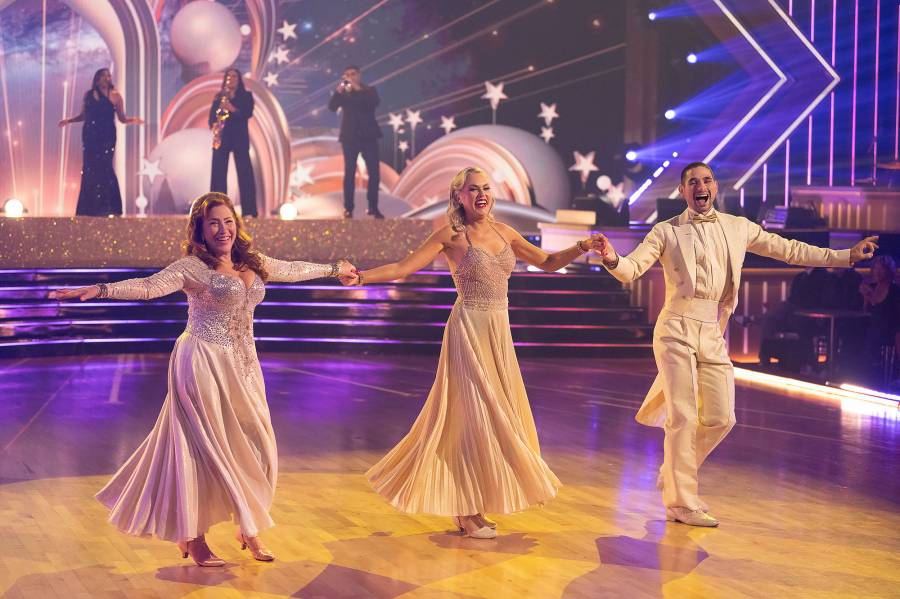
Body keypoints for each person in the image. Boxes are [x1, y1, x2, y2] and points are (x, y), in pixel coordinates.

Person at [50, 192, 356, 565]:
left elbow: (292, 269)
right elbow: (148, 287)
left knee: (258, 446)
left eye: (228, 221)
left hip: (244, 366)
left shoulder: (254, 262)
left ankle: (248, 525)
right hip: (201, 362)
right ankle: (195, 538)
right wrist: (100, 290)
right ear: (200, 229)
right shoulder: (192, 267)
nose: (222, 229)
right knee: (203, 448)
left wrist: (333, 268)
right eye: (214, 222)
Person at [593, 162, 878, 527]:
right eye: (693, 182)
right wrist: (611, 257)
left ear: (715, 187)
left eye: (707, 180)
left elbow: (788, 250)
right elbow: (632, 268)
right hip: (675, 328)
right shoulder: (665, 232)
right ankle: (682, 502)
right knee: (682, 415)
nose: (701, 186)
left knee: (722, 417)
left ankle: (675, 470)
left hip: (712, 330)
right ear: (682, 191)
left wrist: (845, 256)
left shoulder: (737, 227)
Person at [345, 166, 599, 538]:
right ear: (458, 196)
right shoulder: (450, 235)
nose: (481, 194)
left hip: (498, 330)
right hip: (469, 329)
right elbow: (403, 268)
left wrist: (582, 246)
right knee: (477, 415)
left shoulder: (504, 232)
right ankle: (467, 510)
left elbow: (546, 262)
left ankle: (469, 504)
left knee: (497, 416)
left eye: (485, 188)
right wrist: (363, 276)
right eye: (472, 189)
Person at [59, 68, 143, 216]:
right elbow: (83, 115)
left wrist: (133, 120)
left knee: (105, 167)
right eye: (104, 76)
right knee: (90, 169)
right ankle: (89, 208)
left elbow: (122, 118)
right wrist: (69, 121)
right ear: (97, 79)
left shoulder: (116, 96)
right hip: (90, 135)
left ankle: (111, 207)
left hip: (107, 136)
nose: (107, 78)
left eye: (109, 76)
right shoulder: (89, 95)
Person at [327, 65, 383, 219]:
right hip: (350, 137)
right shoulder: (343, 93)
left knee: (374, 173)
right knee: (349, 173)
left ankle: (373, 207)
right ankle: (348, 208)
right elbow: (332, 107)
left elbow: (373, 103)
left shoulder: (369, 91)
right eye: (347, 75)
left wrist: (356, 87)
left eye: (352, 74)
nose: (349, 77)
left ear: (359, 75)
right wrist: (338, 92)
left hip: (369, 136)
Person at [209, 69, 257, 217]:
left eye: (234, 76)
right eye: (228, 76)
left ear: (239, 79)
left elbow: (247, 113)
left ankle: (249, 211)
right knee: (218, 174)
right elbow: (212, 116)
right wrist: (214, 125)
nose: (231, 78)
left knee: (245, 174)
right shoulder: (219, 97)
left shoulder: (246, 96)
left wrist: (232, 109)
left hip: (239, 139)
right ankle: (217, 210)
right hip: (222, 138)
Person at [857, 255, 900, 384]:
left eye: (881, 269)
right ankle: (866, 376)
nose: (877, 272)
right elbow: (865, 310)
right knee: (857, 332)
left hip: (891, 327)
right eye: (876, 268)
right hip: (874, 327)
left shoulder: (895, 290)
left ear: (888, 271)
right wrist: (865, 296)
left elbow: (893, 314)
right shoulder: (871, 287)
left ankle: (887, 378)